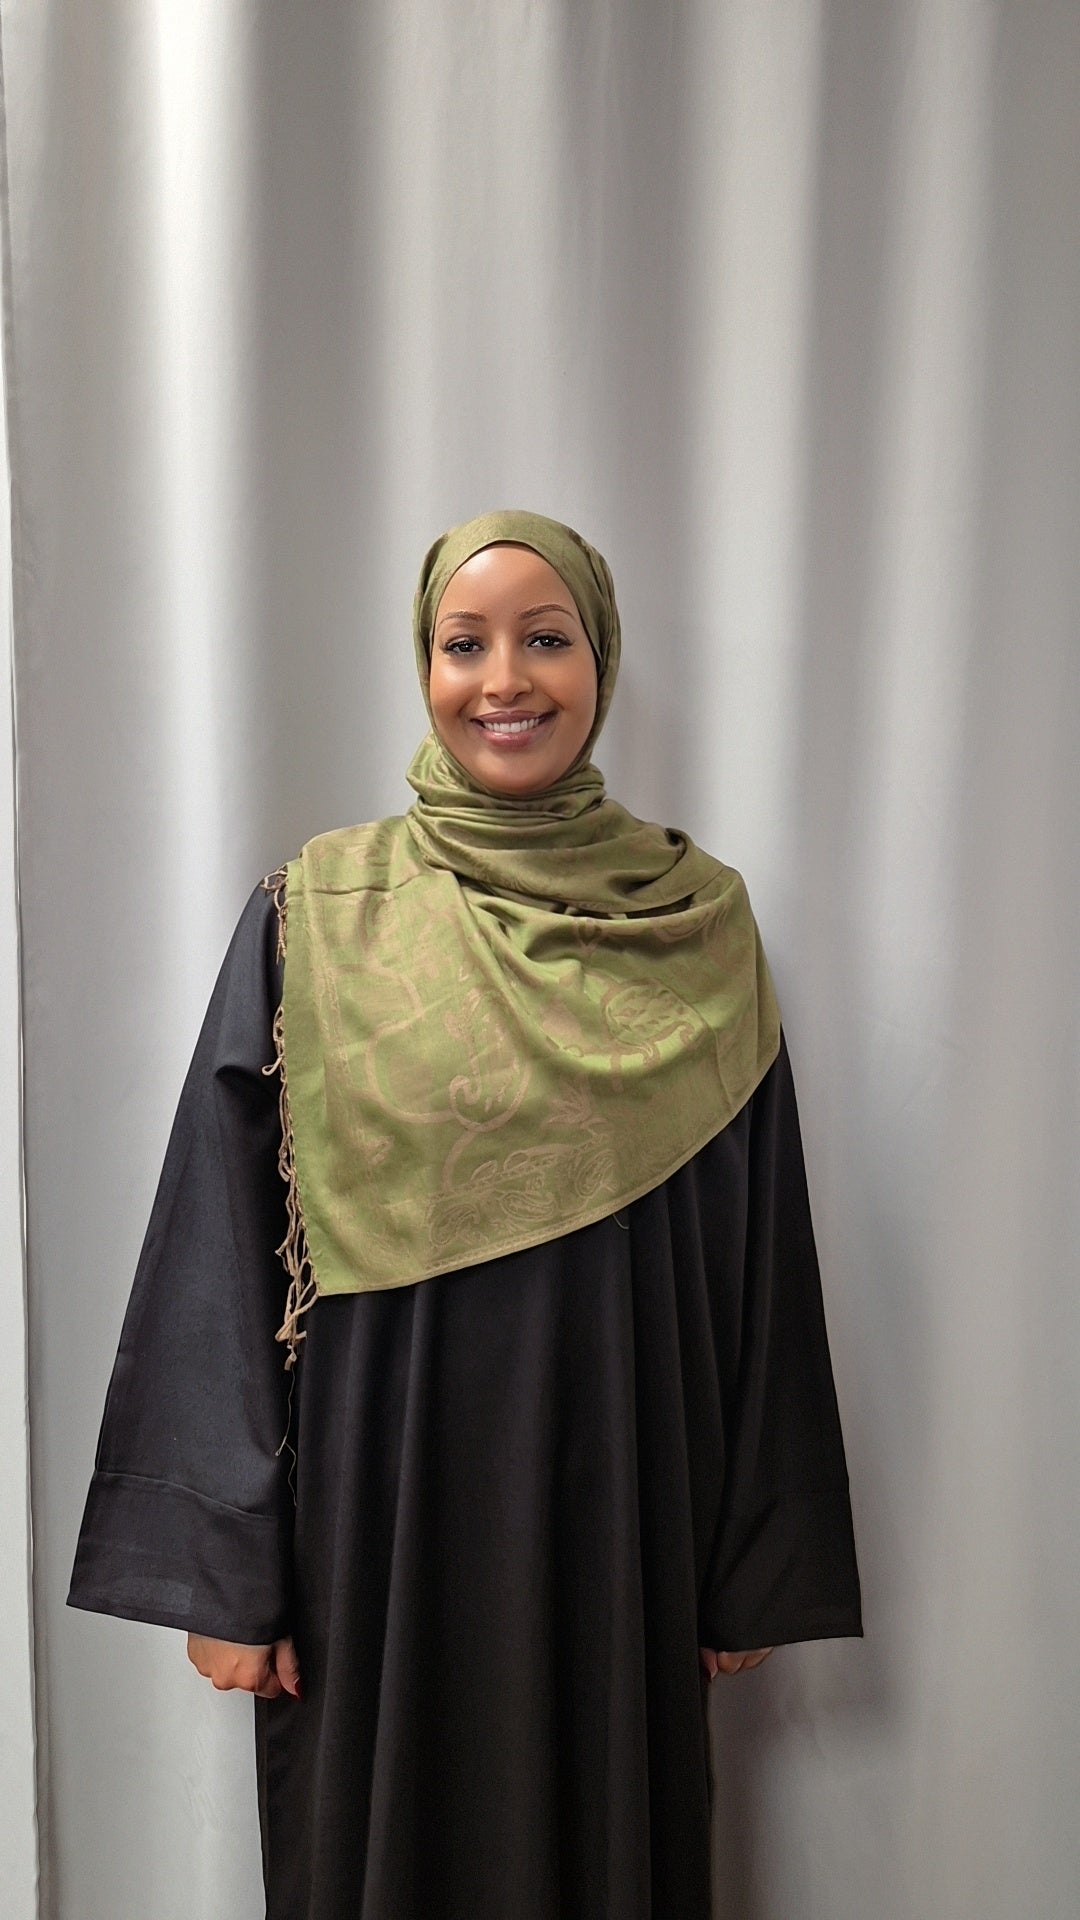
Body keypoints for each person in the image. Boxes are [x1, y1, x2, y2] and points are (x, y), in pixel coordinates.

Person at [69, 511, 862, 1920]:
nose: (505, 679)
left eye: (546, 639)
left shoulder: (696, 924)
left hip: (625, 1497)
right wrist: (226, 1573)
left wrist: (754, 1560)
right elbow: (219, 1235)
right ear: (424, 666)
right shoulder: (319, 910)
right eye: (464, 642)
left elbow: (761, 1248)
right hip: (376, 1509)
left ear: (600, 661)